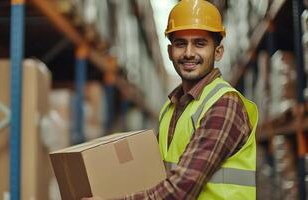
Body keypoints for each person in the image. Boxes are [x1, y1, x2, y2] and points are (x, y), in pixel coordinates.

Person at [84, 0, 258, 199]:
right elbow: (151, 171)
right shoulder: (171, 108)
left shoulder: (224, 104)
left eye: (200, 43)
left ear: (218, 52)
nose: (189, 53)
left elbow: (180, 190)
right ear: (169, 52)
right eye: (180, 44)